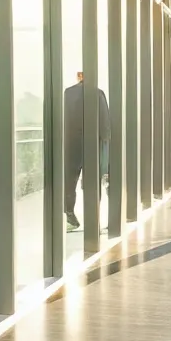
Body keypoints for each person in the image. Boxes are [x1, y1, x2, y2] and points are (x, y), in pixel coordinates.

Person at [63, 71, 109, 231]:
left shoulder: (67, 93)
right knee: (92, 183)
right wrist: (106, 143)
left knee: (69, 182)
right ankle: (92, 220)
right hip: (92, 145)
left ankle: (69, 215)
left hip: (70, 144)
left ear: (79, 77)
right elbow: (104, 122)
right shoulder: (98, 93)